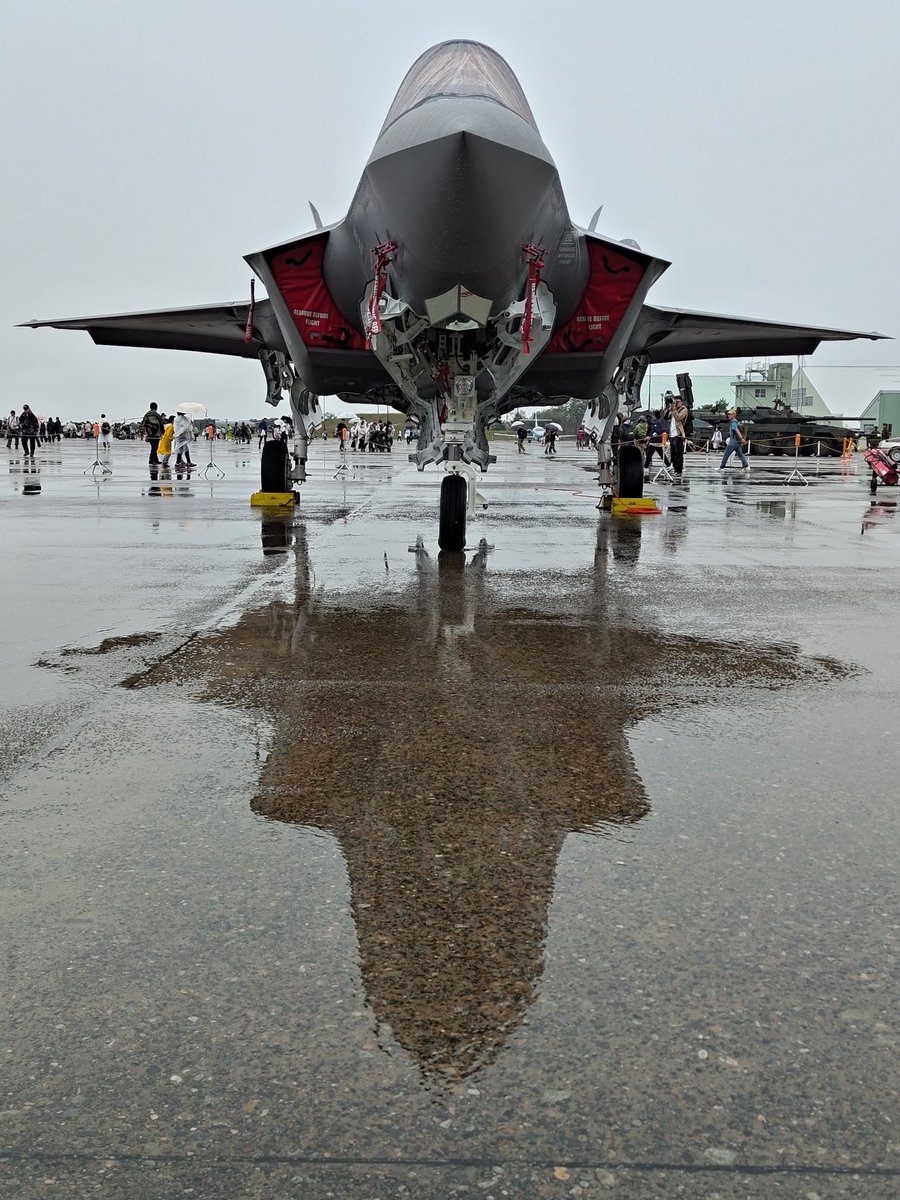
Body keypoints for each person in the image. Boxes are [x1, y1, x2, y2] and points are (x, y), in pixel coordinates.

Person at [665, 392, 689, 480]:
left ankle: (679, 471)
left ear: (681, 402)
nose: (676, 403)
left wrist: (674, 410)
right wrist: (669, 408)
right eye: (675, 402)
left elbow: (678, 418)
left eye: (678, 402)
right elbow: (666, 416)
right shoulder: (673, 409)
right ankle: (675, 469)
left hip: (679, 435)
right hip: (672, 434)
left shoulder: (684, 409)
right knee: (673, 454)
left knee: (679, 454)